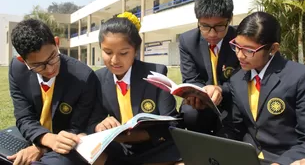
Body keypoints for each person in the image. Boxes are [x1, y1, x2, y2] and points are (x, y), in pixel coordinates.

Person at [87, 12, 182, 165]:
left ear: (136, 49)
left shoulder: (156, 74)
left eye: (123, 53)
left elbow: (171, 123)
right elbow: (90, 121)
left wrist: (133, 136)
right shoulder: (97, 79)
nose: (114, 60)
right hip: (117, 148)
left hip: (152, 148)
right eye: (107, 52)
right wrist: (99, 125)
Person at [7, 18, 98, 165]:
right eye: (38, 65)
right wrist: (45, 140)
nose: (50, 69)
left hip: (67, 144)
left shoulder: (84, 78)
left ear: (57, 42)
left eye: (52, 58)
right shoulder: (17, 70)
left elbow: (77, 127)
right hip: (32, 136)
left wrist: (42, 148)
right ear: (22, 60)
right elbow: (24, 117)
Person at [218, 11, 305, 165]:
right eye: (236, 46)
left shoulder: (298, 77)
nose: (240, 55)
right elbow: (235, 128)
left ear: (273, 48)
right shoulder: (237, 79)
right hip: (247, 156)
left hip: (283, 159)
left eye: (249, 50)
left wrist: (283, 162)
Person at [178, 0, 239, 134]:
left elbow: (244, 79)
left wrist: (220, 90)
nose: (212, 34)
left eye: (219, 27)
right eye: (205, 26)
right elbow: (190, 78)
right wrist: (200, 93)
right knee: (189, 114)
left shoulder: (239, 40)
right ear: (198, 21)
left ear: (229, 19)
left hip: (232, 97)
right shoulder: (187, 41)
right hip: (202, 100)